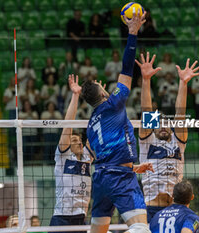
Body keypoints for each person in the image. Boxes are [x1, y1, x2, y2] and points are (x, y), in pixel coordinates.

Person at [80, 11, 154, 233]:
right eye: (100, 85)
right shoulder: (114, 104)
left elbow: (95, 151)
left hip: (103, 177)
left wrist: (131, 165)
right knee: (141, 229)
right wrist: (133, 33)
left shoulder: (92, 121)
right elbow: (127, 68)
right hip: (121, 178)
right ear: (102, 91)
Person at [137, 52, 199, 222]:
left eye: (166, 123)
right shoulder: (147, 141)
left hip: (176, 209)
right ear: (153, 127)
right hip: (151, 210)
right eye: (159, 123)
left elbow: (180, 113)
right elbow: (146, 111)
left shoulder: (177, 142)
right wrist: (146, 80)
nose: (163, 126)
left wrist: (183, 83)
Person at [49, 74, 94, 233]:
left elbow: (96, 128)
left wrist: (99, 101)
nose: (79, 141)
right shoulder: (64, 157)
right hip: (62, 218)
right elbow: (67, 126)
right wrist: (75, 96)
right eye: (74, 140)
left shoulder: (88, 158)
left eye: (80, 139)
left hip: (81, 219)